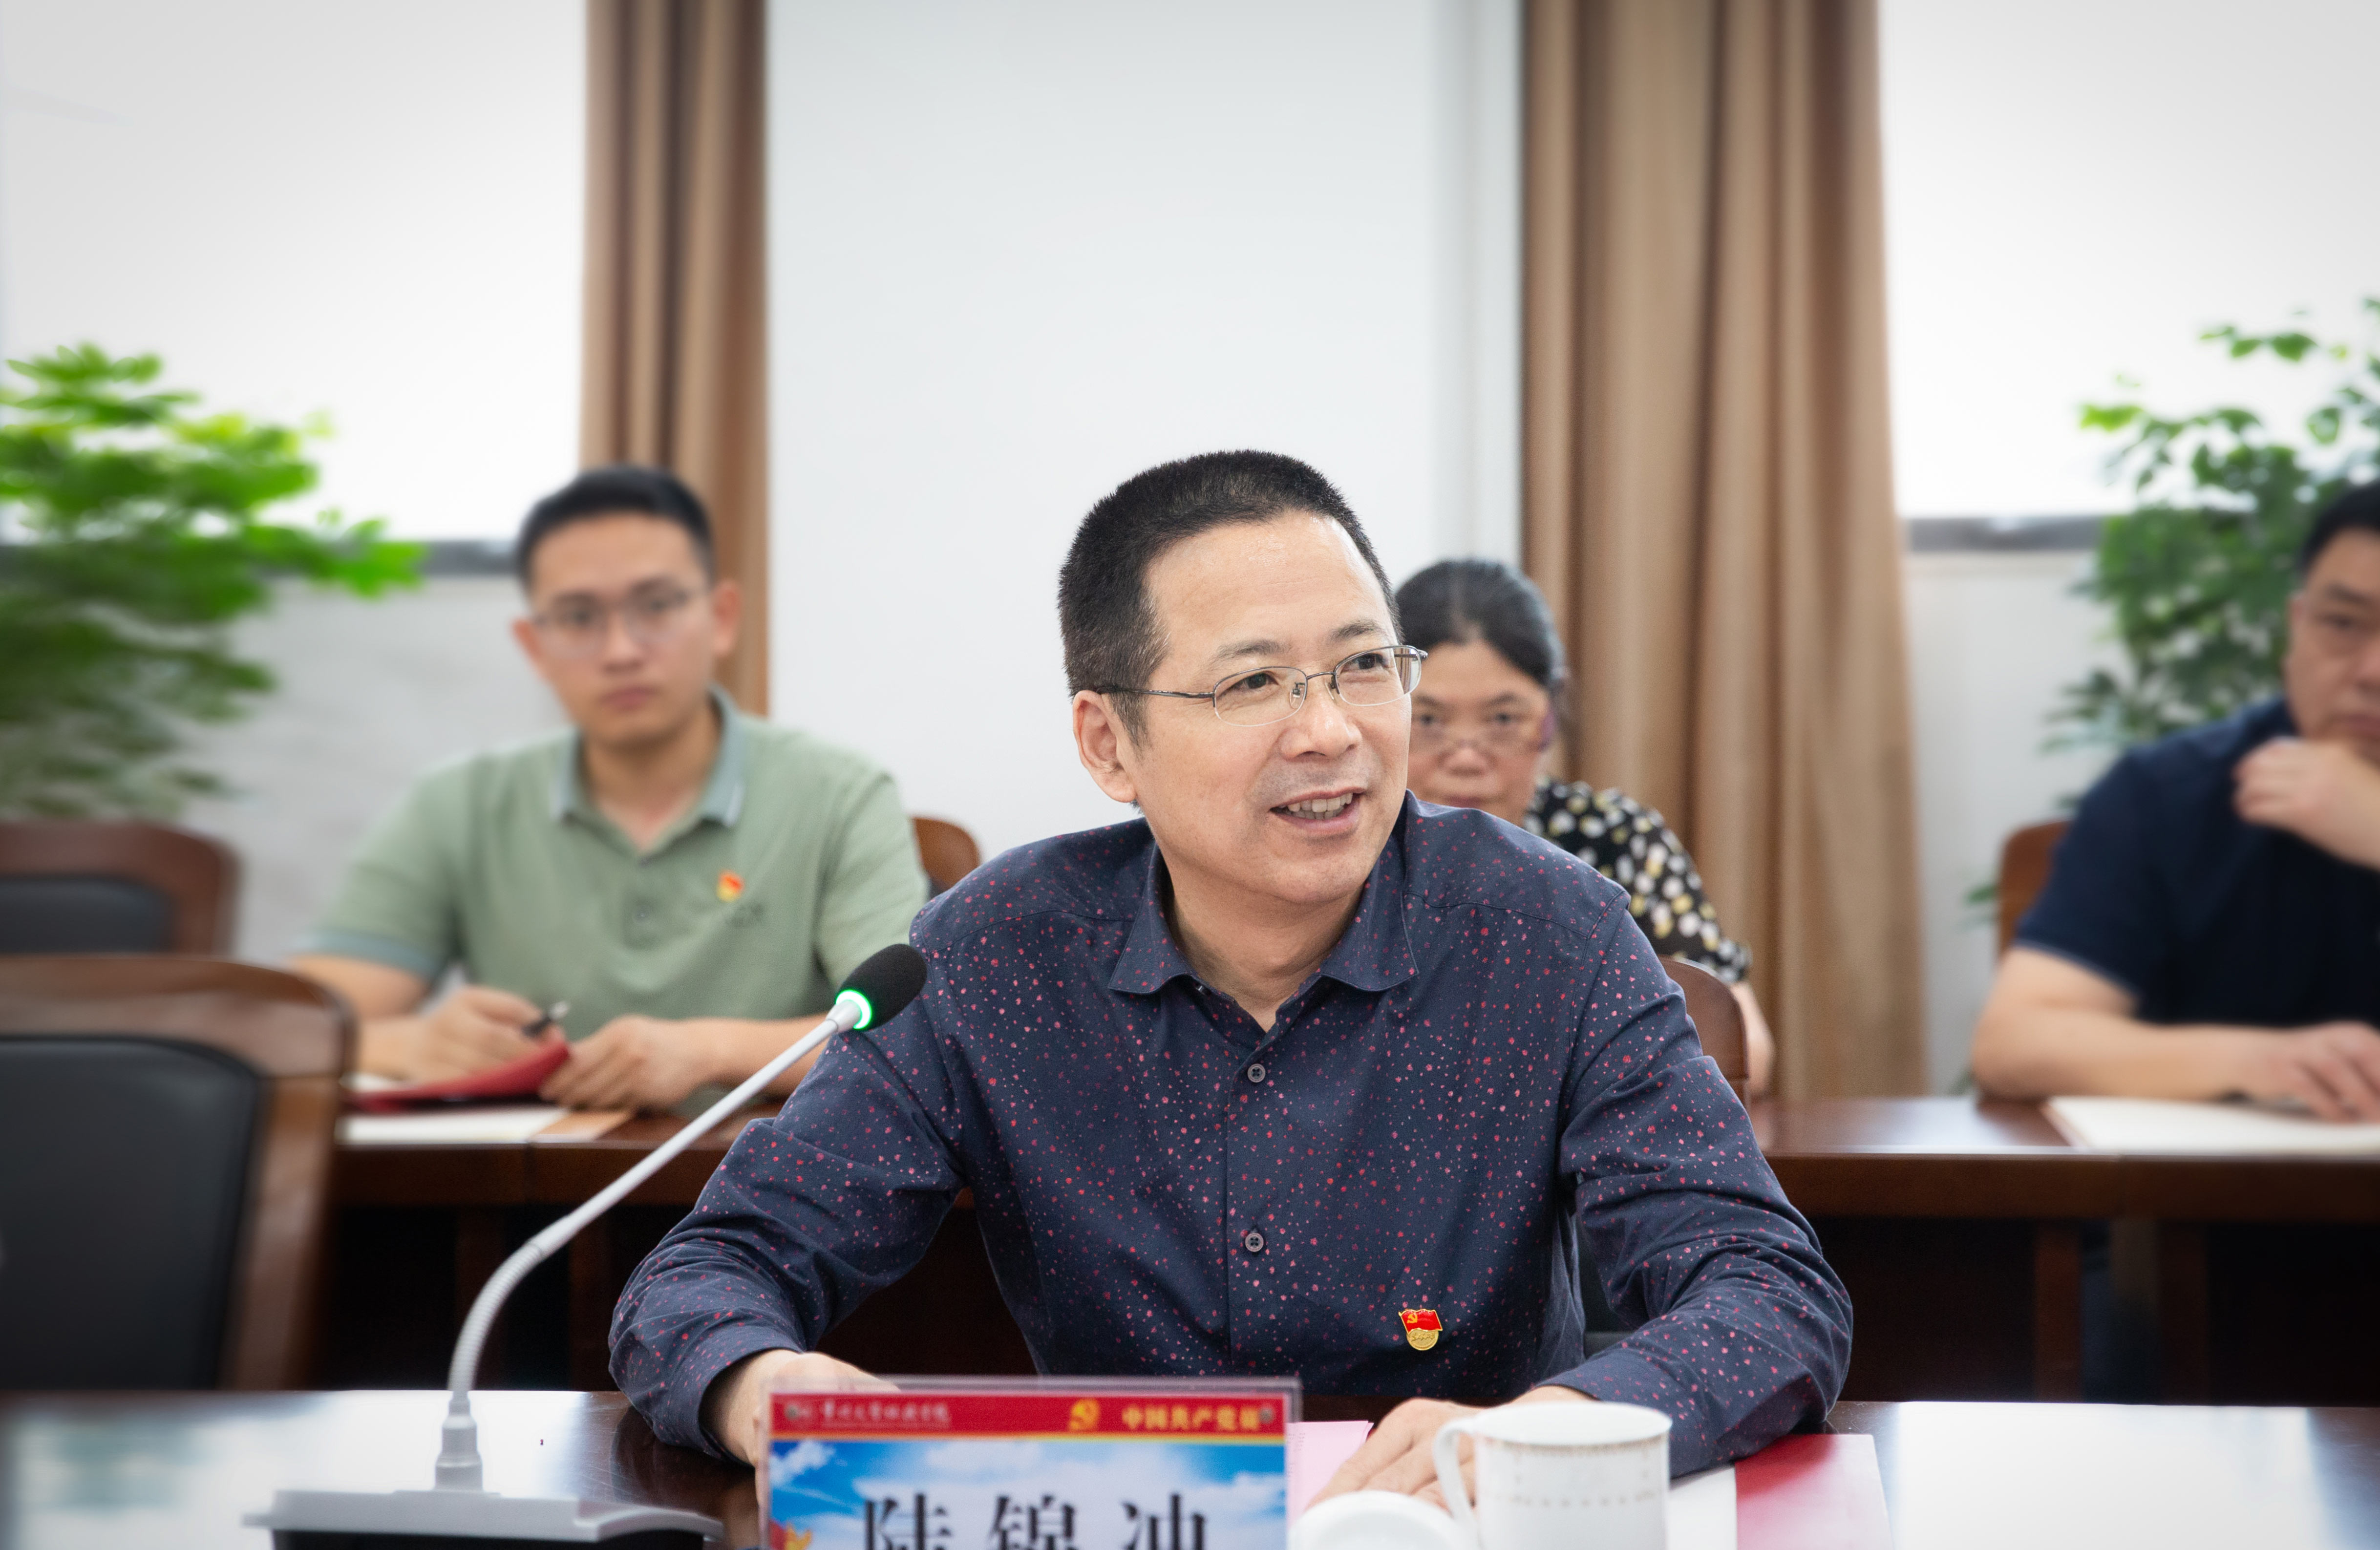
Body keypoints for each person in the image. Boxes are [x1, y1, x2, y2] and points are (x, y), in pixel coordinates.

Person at [611, 450, 1849, 1492]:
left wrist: (1550, 1434)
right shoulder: (991, 958)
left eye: (1364, 665)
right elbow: (706, 1276)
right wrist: (766, 1387)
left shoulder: (1549, 934)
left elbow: (1771, 1292)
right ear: (1110, 742)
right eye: (1255, 681)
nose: (1331, 729)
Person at [292, 465, 927, 1112]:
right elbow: (286, 1024)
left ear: (722, 618)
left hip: (764, 1170)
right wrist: (414, 1043)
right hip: (526, 1171)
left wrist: (710, 1050)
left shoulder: (841, 794)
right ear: (534, 646)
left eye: (656, 606)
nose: (621, 650)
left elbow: (913, 1033)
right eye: (579, 617)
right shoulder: (457, 803)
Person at [1971, 480, 2380, 1121]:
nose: (2372, 671)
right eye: (2344, 624)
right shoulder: (2167, 792)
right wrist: (2259, 1061)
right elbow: (2015, 1042)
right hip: (2220, 1182)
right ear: (2297, 625)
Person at [1396, 559, 1776, 1095]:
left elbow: (1743, 1049)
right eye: (1430, 720)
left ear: (1550, 718)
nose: (1466, 757)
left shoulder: (1618, 840)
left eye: (1503, 720)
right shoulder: (1349, 850)